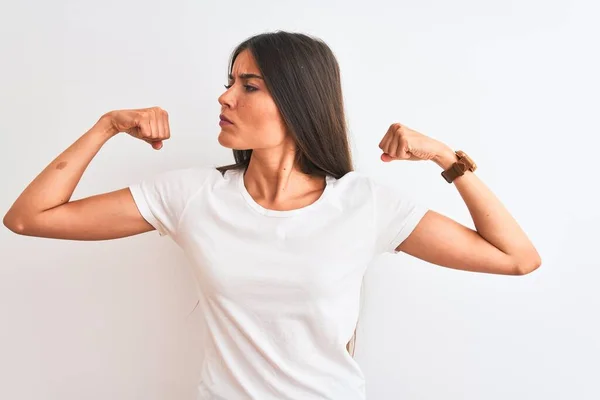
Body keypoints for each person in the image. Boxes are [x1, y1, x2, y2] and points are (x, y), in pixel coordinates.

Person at [3, 31, 540, 399]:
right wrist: (106, 125)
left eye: (248, 86)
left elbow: (517, 258)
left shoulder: (364, 204)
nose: (225, 96)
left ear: (299, 101)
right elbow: (29, 218)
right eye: (230, 81)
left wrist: (447, 158)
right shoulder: (192, 195)